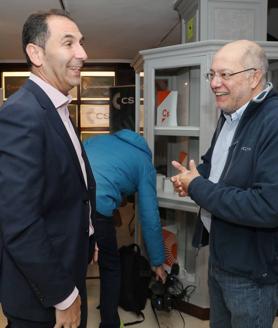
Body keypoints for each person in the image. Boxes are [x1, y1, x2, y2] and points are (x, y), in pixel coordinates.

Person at [171, 40, 278, 328]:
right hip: (221, 257)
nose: (215, 83)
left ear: (254, 77)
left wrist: (197, 186)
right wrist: (193, 176)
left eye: (225, 75)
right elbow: (215, 164)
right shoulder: (231, 114)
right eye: (212, 75)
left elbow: (268, 206)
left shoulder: (273, 121)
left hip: (252, 274)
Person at [0, 9, 96, 328]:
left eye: (81, 43)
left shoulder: (55, 108)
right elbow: (20, 223)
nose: (82, 53)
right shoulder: (22, 114)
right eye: (69, 43)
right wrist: (63, 296)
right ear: (36, 53)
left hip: (66, 266)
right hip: (43, 296)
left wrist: (89, 235)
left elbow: (68, 191)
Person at [83, 129, 166, 328]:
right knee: (110, 266)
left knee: (76, 268)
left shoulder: (97, 140)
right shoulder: (144, 163)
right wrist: (157, 261)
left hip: (69, 206)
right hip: (99, 208)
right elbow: (150, 217)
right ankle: (110, 323)